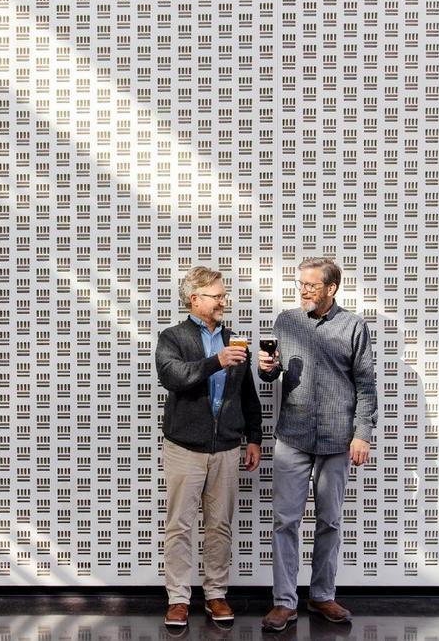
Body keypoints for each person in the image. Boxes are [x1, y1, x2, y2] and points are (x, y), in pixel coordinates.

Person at [259, 257, 378, 630]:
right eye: (301, 284)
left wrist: (362, 433)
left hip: (337, 438)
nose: (304, 291)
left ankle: (322, 595)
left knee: (329, 520)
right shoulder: (287, 322)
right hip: (292, 437)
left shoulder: (353, 326)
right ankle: (284, 602)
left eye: (311, 285)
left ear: (331, 288)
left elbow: (366, 384)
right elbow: (273, 373)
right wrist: (267, 369)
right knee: (285, 521)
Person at [155, 266, 263, 627]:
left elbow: (247, 395)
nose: (223, 301)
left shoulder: (234, 340)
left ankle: (216, 594)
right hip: (184, 448)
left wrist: (254, 438)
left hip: (227, 449)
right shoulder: (173, 337)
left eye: (223, 295)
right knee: (179, 526)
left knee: (220, 526)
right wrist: (216, 361)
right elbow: (173, 377)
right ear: (194, 298)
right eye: (216, 296)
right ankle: (178, 599)